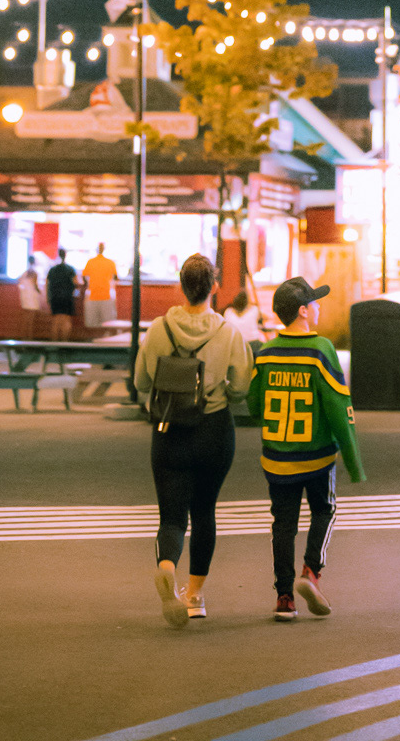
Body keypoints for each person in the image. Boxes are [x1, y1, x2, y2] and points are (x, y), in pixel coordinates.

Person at [135, 252, 253, 629]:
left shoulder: (158, 329)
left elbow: (140, 381)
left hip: (169, 428)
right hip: (213, 430)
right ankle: (195, 596)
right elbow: (242, 387)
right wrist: (221, 390)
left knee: (172, 516)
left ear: (180, 286)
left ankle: (166, 566)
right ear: (214, 287)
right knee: (204, 513)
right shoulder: (228, 332)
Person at [246, 275, 365, 622]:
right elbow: (339, 408)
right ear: (302, 311)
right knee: (324, 511)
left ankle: (284, 597)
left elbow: (253, 405)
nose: (318, 306)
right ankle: (310, 572)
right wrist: (354, 462)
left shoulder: (266, 353)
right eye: (314, 301)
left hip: (277, 458)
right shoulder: (321, 350)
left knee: (283, 524)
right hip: (317, 457)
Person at [83, 242, 119, 330]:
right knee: (108, 322)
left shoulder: (90, 262)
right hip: (106, 295)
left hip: (92, 295)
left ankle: (95, 337)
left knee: (92, 323)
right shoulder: (110, 262)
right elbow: (115, 278)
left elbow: (84, 277)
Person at [45, 250, 78, 339]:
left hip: (55, 297)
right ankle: (64, 342)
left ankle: (55, 343)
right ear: (65, 255)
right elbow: (76, 282)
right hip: (67, 297)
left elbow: (47, 284)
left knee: (55, 320)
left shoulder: (52, 270)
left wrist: (48, 298)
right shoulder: (71, 269)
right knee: (66, 320)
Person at [17, 259, 44, 337]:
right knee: (31, 319)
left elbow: (19, 281)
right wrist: (40, 292)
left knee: (25, 318)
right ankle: (29, 337)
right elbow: (35, 285)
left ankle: (23, 336)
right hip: (32, 298)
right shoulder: (34, 273)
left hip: (25, 297)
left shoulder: (25, 273)